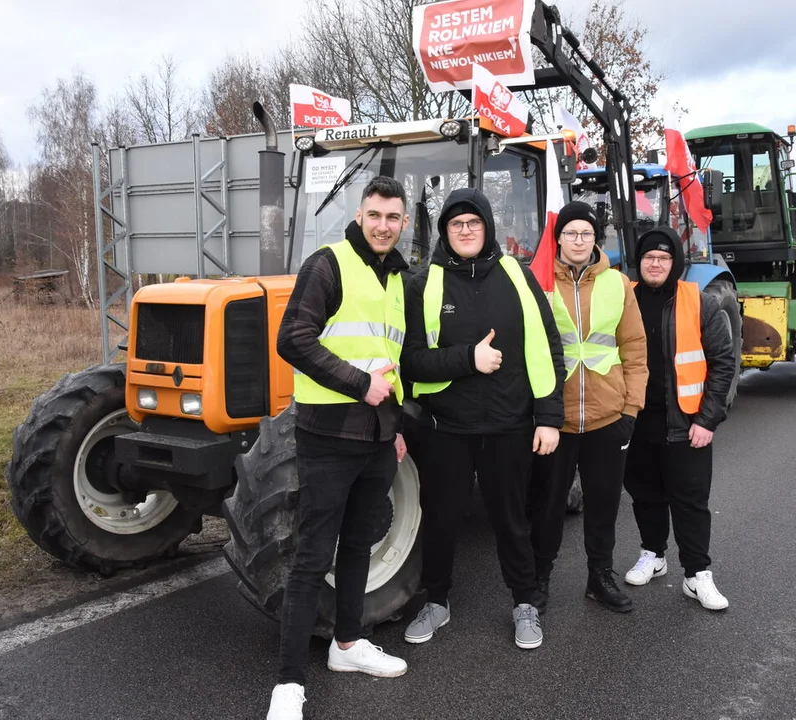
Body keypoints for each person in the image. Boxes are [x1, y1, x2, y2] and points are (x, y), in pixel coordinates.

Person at [268, 176, 411, 720]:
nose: (383, 226)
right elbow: (293, 339)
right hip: (328, 436)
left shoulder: (396, 278)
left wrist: (394, 425)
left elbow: (390, 364)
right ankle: (288, 684)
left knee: (358, 545)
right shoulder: (327, 264)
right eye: (375, 215)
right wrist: (359, 384)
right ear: (360, 213)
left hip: (377, 438)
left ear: (404, 222)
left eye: (393, 218)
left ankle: (348, 645)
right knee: (312, 556)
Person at [400, 188, 565, 650]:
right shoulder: (425, 285)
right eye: (456, 224)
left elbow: (548, 347)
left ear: (487, 227)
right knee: (440, 518)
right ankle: (436, 601)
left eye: (474, 222)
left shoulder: (518, 277)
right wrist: (467, 359)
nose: (466, 230)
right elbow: (410, 363)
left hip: (509, 424)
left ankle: (525, 603)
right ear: (444, 232)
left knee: (512, 518)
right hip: (445, 428)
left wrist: (549, 418)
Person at [528, 201, 648, 614]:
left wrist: (631, 409)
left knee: (603, 504)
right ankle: (539, 578)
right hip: (553, 420)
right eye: (570, 233)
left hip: (607, 417)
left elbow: (634, 348)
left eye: (586, 233)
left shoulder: (618, 283)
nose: (578, 240)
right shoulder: (537, 281)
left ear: (596, 239)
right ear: (557, 238)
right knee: (546, 506)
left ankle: (600, 577)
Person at [621, 228, 737, 611]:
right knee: (644, 494)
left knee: (689, 500)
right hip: (637, 421)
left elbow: (724, 364)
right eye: (649, 257)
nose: (655, 264)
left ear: (675, 263)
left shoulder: (699, 302)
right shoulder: (625, 301)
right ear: (639, 262)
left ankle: (696, 574)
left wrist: (707, 420)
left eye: (663, 258)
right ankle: (653, 554)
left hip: (687, 424)